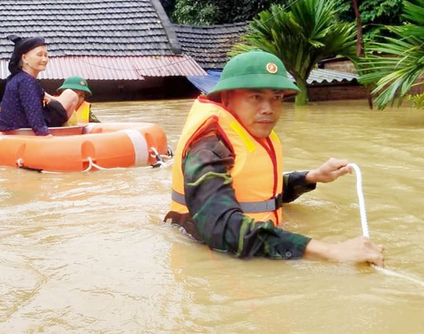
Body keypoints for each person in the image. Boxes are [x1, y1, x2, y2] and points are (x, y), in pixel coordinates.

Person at [164, 51, 384, 266]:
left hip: (255, 246)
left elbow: (258, 193)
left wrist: (311, 177)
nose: (268, 109)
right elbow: (221, 228)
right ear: (226, 98)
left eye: (276, 98)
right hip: (209, 256)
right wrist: (330, 251)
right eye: (256, 97)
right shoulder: (208, 148)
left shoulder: (250, 131)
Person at [0, 35, 79, 136]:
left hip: (13, 126)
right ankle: (60, 132)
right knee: (71, 95)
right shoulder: (27, 81)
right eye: (40, 55)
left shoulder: (16, 78)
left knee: (62, 98)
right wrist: (44, 133)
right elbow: (33, 111)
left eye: (46, 55)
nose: (44, 59)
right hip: (24, 128)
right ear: (25, 58)